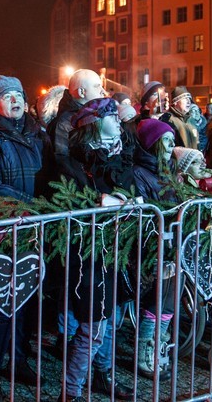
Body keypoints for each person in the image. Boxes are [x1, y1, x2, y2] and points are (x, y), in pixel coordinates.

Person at [0, 74, 50, 401]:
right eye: (8, 96)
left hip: (35, 226)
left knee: (26, 300)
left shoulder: (35, 132)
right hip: (3, 227)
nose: (16, 100)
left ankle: (17, 361)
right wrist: (30, 203)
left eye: (19, 93)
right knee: (1, 305)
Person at [59, 97, 133, 401]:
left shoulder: (120, 159)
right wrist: (100, 204)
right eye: (110, 115)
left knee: (112, 320)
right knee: (93, 327)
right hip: (87, 254)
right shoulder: (71, 162)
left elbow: (131, 196)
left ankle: (102, 376)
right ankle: (71, 391)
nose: (118, 120)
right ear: (93, 123)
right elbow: (71, 203)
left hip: (116, 250)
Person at [131, 119, 179, 379]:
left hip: (173, 243)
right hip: (154, 245)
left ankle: (161, 346)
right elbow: (146, 213)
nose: (172, 145)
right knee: (154, 300)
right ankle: (144, 351)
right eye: (167, 140)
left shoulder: (169, 169)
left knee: (169, 300)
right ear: (153, 143)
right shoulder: (140, 172)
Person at [47, 69, 107, 188]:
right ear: (81, 91)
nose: (103, 91)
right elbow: (63, 162)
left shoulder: (94, 116)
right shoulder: (65, 122)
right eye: (97, 86)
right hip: (81, 191)